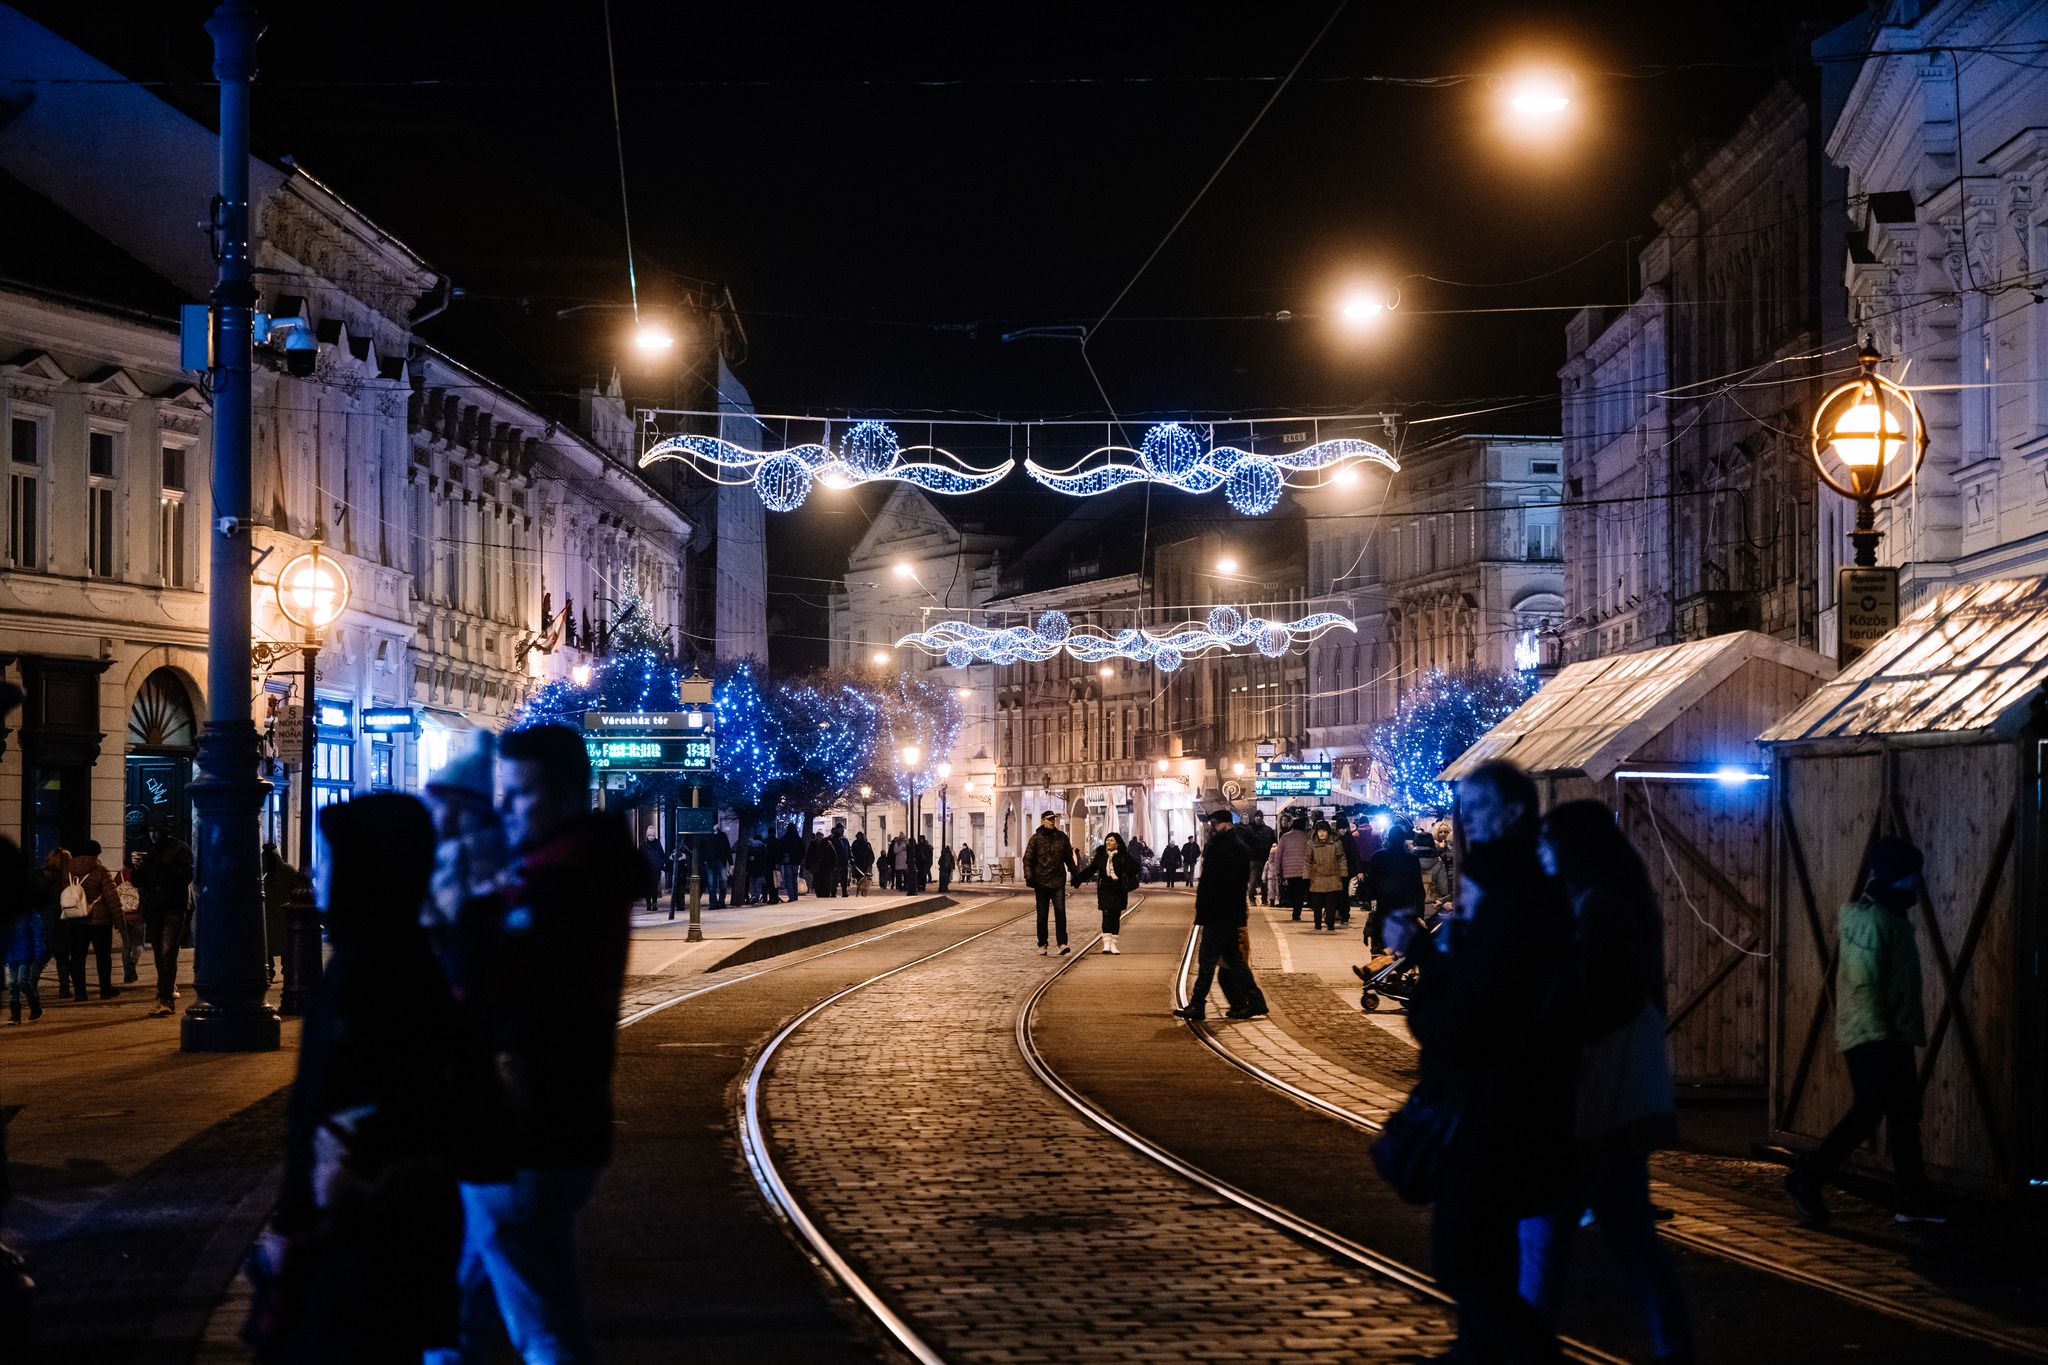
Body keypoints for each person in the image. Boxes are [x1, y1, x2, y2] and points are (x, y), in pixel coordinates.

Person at [447, 724, 642, 1363]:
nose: (505, 811)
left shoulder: (564, 884)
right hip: (527, 1130)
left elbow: (505, 993)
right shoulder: (555, 873)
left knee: (543, 1328)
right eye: (501, 795)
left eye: (520, 796)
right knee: (460, 1317)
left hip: (527, 1130)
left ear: (564, 795)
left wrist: (466, 916)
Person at [249, 794, 461, 1363]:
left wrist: (325, 1199)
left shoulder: (383, 971)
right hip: (354, 1230)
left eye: (329, 859)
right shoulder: (382, 960)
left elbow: (389, 1101)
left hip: (364, 1236)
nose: (318, 875)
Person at [1393, 759, 1573, 1364]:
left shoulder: (1506, 893)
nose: (1464, 821)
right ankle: (1477, 1351)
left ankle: (1524, 1354)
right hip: (1512, 1099)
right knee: (1481, 1254)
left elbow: (1468, 1013)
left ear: (1511, 812)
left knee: (1467, 1255)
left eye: (1476, 808)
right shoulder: (1528, 889)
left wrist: (1422, 960)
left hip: (1490, 1105)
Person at [1519, 800, 1693, 1363]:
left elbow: (1585, 1005)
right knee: (1627, 1238)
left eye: (1548, 846)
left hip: (1592, 1099)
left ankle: (1523, 1347)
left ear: (1570, 850)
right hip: (1621, 1099)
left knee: (1543, 1233)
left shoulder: (1598, 910)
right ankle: (1675, 1347)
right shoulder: (1618, 902)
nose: (1541, 856)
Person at [1786, 835, 1945, 1225]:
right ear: (1899, 877)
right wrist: (1883, 1037)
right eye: (1912, 875)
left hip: (1884, 1032)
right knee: (1874, 1112)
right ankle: (1809, 1176)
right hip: (1876, 1034)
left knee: (1901, 1115)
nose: (1917, 882)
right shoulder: (1876, 922)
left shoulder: (1884, 916)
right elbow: (1865, 983)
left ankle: (1912, 1200)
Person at [1173, 810, 1266, 1020]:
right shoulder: (1221, 846)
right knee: (1234, 960)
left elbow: (1225, 884)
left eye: (1214, 823)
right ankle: (1257, 1001)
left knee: (1206, 960)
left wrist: (1210, 907)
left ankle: (1197, 1005)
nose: (1211, 827)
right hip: (1224, 913)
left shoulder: (1233, 848)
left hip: (1221, 913)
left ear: (1227, 824)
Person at [134, 819, 194, 1017]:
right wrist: (137, 868)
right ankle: (164, 993)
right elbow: (138, 881)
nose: (153, 835)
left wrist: (159, 864)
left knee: (168, 952)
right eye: (150, 831)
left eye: (156, 831)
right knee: (160, 954)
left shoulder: (179, 848)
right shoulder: (146, 848)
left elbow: (185, 876)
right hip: (154, 907)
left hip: (172, 907)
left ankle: (165, 998)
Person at [1363, 820, 1425, 953]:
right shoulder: (1412, 860)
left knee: (1382, 943)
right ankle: (1398, 970)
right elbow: (1418, 888)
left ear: (1388, 839)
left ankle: (1382, 968)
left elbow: (1371, 882)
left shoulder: (1378, 857)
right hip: (1405, 909)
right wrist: (1420, 913)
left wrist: (1372, 898)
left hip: (1384, 907)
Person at [1073, 832, 1139, 955]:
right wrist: (1078, 878)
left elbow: (1135, 868)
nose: (1109, 842)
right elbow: (1091, 869)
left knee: (1115, 916)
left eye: (1112, 840)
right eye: (1107, 840)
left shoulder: (1123, 855)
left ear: (1117, 843)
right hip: (1105, 888)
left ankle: (1114, 944)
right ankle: (1106, 944)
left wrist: (1125, 863)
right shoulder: (1100, 856)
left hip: (1119, 889)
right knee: (1106, 914)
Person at [1022, 811, 1078, 956]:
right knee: (1042, 914)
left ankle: (1062, 943)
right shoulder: (1035, 839)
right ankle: (1042, 944)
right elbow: (1027, 859)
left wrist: (1076, 875)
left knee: (1060, 913)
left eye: (1054, 819)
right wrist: (1029, 877)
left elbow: (1068, 858)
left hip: (1058, 880)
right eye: (1049, 819)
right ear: (1043, 821)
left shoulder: (1062, 838)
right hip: (1041, 882)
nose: (1053, 821)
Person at [70, 839, 121, 999]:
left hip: (76, 920)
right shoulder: (101, 871)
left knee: (77, 958)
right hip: (100, 922)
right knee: (103, 957)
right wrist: (119, 921)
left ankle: (80, 993)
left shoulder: (68, 872)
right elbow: (112, 898)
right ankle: (105, 990)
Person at [42, 848, 77, 1001]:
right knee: (63, 958)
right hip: (64, 922)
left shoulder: (42, 876)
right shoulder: (68, 880)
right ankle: (64, 988)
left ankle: (30, 984)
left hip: (46, 921)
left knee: (42, 957)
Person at [4, 890, 42, 1024]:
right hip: (11, 953)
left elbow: (38, 935)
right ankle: (15, 1015)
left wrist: (38, 953)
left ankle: (35, 1007)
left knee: (22, 981)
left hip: (25, 953)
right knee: (12, 984)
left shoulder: (30, 914)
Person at [261, 843, 294, 986]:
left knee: (271, 944)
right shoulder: (286, 870)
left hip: (275, 914)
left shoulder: (269, 873)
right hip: (280, 915)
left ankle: (271, 972)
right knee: (283, 945)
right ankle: (286, 971)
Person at [1307, 825, 1348, 932]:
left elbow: (1341, 858)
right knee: (1317, 905)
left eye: (1324, 831)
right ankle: (1317, 924)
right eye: (1319, 831)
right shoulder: (1311, 843)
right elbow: (1308, 860)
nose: (1321, 833)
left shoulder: (1336, 843)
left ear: (1328, 832)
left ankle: (1330, 924)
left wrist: (1343, 873)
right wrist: (1306, 876)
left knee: (1331, 905)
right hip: (1317, 877)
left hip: (1333, 877)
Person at [1277, 815, 1312, 922]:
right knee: (1300, 893)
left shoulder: (1285, 837)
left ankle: (1295, 909)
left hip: (1289, 871)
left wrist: (1278, 870)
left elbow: (1278, 855)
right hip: (1304, 870)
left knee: (1292, 891)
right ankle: (1296, 912)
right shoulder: (1308, 838)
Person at [1242, 809, 1277, 905]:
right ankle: (1252, 899)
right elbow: (1244, 843)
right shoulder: (1249, 829)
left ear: (1262, 818)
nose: (1259, 817)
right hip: (1253, 859)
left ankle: (1264, 899)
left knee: (1264, 880)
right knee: (1253, 880)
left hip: (1265, 859)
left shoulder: (1268, 830)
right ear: (1254, 817)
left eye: (1260, 816)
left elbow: (1274, 843)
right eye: (1257, 816)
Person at [701, 825, 732, 909]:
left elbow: (727, 849)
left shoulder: (722, 836)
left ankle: (721, 902)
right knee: (712, 884)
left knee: (723, 882)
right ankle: (713, 903)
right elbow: (702, 849)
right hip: (710, 862)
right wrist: (704, 860)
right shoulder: (707, 835)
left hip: (720, 861)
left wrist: (731, 863)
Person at [805, 829, 839, 899]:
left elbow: (833, 854)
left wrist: (834, 865)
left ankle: (825, 894)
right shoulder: (813, 843)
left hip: (826, 866)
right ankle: (820, 893)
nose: (819, 837)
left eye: (820, 835)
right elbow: (809, 855)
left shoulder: (828, 843)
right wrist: (808, 865)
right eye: (818, 835)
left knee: (826, 881)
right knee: (818, 881)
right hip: (817, 866)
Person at [641, 824, 667, 916]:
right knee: (647, 887)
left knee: (654, 886)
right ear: (647, 835)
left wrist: (660, 864)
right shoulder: (644, 845)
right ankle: (648, 903)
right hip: (647, 869)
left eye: (653, 835)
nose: (651, 837)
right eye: (649, 835)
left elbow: (662, 855)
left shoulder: (657, 843)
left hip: (656, 869)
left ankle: (654, 903)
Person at [776, 823, 805, 903]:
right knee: (794, 878)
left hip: (787, 861)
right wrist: (800, 859)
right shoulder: (798, 839)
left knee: (788, 879)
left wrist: (780, 860)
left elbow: (780, 850)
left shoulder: (784, 839)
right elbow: (803, 850)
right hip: (796, 862)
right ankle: (795, 896)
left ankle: (791, 896)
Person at [830, 821, 852, 897]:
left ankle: (844, 891)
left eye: (843, 830)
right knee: (834, 878)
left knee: (844, 878)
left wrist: (851, 858)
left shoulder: (845, 840)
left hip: (844, 862)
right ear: (837, 830)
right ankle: (833, 893)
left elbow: (848, 850)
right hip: (836, 862)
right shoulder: (833, 839)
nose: (842, 831)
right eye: (841, 830)